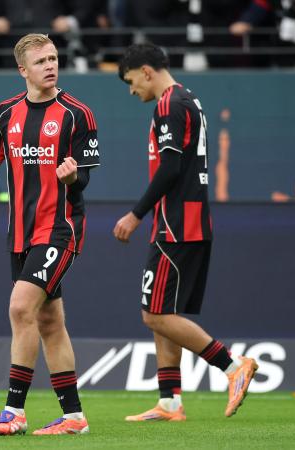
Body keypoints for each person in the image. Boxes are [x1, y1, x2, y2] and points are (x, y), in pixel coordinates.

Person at [0, 33, 100, 436]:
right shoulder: (5, 114)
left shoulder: (76, 114)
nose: (50, 66)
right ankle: (73, 417)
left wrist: (73, 179)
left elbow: (83, 177)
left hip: (60, 227)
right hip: (20, 231)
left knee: (21, 307)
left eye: (54, 58)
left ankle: (14, 411)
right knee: (50, 320)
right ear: (23, 69)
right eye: (41, 61)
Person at [113, 42, 258, 421]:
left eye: (131, 82)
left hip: (175, 223)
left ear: (146, 72)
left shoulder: (169, 105)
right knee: (163, 309)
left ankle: (232, 366)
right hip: (189, 219)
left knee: (154, 316)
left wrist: (135, 214)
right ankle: (170, 402)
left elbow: (170, 168)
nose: (132, 91)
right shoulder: (189, 100)